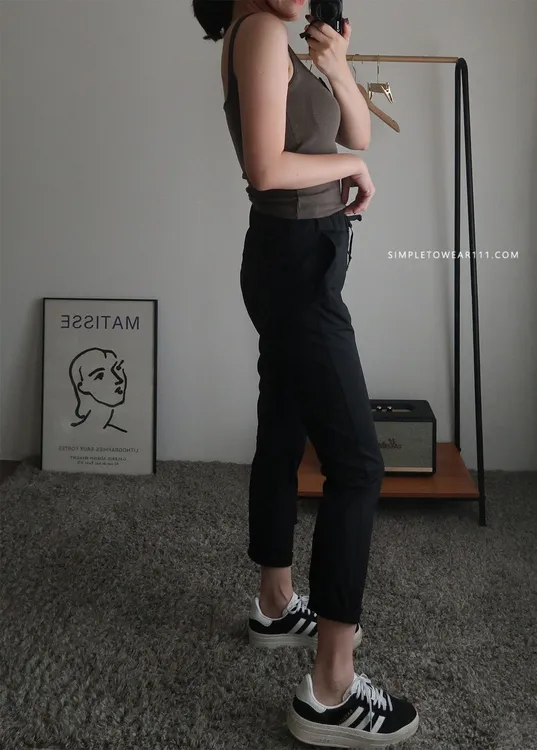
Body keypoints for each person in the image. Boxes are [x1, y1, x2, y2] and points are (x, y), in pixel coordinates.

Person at [191, 1, 419, 746]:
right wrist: (353, 166)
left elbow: (358, 131)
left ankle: (275, 602)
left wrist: (340, 68)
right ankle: (331, 688)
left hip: (300, 254)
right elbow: (266, 166)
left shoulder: (277, 40)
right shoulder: (259, 30)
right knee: (357, 463)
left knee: (285, 426)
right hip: (295, 262)